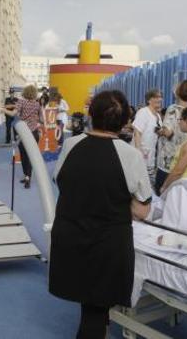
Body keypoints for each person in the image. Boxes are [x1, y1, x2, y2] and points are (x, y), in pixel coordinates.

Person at [49, 90, 152, 339]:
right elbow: (142, 210)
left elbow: (61, 181)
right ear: (125, 120)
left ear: (91, 115)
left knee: (90, 303)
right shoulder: (131, 155)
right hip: (108, 242)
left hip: (70, 235)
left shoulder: (72, 144)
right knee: (96, 305)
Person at [155, 80, 187, 194]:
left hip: (167, 163)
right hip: (185, 163)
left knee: (162, 199)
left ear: (178, 92)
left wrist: (159, 131)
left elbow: (168, 132)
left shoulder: (173, 109)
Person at [132, 88, 164, 188]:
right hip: (142, 154)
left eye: (160, 97)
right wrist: (139, 152)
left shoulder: (158, 116)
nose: (159, 99)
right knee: (140, 183)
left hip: (151, 156)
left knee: (148, 184)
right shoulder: (143, 112)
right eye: (156, 97)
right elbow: (137, 132)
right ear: (149, 100)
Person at [16, 84, 45, 188]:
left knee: (23, 154)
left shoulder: (21, 102)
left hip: (24, 132)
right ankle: (28, 176)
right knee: (31, 155)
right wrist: (35, 119)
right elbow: (42, 120)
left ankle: (26, 175)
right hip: (34, 132)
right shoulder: (37, 104)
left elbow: (17, 115)